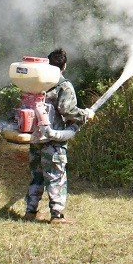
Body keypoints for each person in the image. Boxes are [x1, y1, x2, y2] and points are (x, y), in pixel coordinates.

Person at [23, 48, 93, 224]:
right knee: (56, 176)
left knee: (36, 175)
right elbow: (68, 111)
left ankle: (30, 211)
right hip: (53, 141)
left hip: (35, 138)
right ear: (64, 66)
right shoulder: (63, 85)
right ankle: (57, 215)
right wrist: (85, 115)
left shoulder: (35, 82)